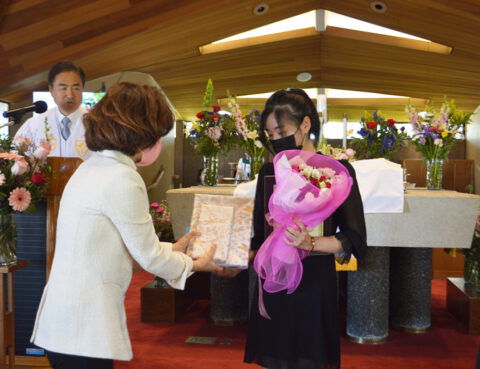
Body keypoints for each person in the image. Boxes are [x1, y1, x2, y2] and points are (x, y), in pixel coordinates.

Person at [30, 82, 221, 369]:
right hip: (84, 325)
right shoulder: (122, 177)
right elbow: (150, 257)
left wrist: (174, 247)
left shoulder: (90, 167)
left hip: (64, 321)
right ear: (142, 133)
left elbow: (112, 244)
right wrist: (195, 264)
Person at [243, 89, 367, 369]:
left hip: (315, 282)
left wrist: (310, 243)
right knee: (273, 358)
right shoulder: (268, 171)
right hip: (273, 281)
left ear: (306, 125)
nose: (275, 140)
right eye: (269, 135)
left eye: (280, 131)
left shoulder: (337, 171)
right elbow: (257, 235)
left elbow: (354, 238)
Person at [15, 61, 91, 159]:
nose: (70, 95)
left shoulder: (99, 124)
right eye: (63, 88)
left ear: (82, 89)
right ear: (51, 90)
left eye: (76, 88)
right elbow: (16, 158)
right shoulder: (34, 125)